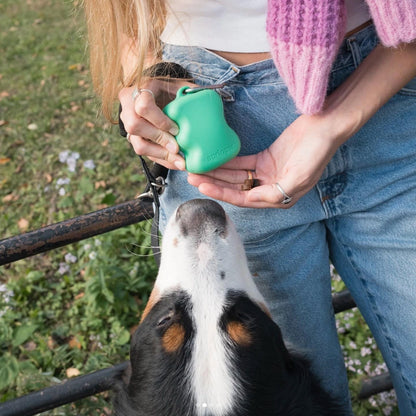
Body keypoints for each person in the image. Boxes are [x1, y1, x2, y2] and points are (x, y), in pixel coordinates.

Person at [83, 0, 416, 414]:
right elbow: (131, 16)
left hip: (394, 98)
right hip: (220, 151)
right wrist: (153, 76)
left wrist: (330, 122)